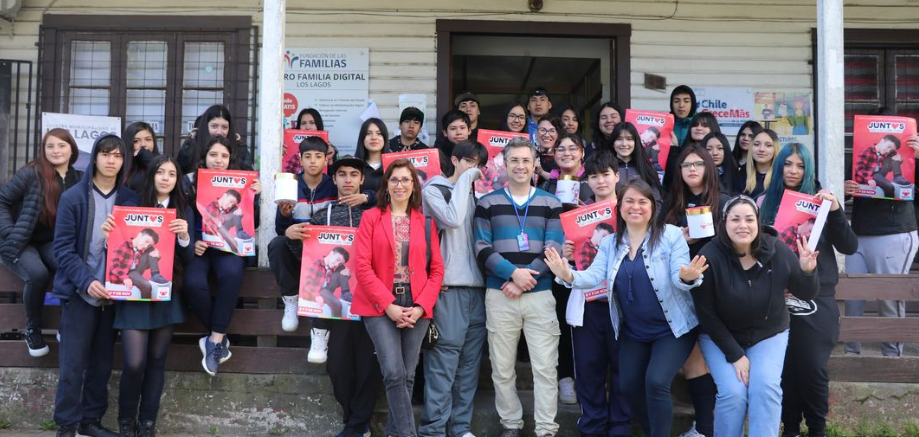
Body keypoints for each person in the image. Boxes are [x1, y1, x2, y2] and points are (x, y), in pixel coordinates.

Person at [545, 178, 708, 437]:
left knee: (655, 381)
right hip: (635, 331)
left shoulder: (671, 235)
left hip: (672, 328)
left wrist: (688, 277)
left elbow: (680, 275)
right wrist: (568, 274)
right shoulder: (610, 243)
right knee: (629, 387)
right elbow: (593, 276)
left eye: (642, 202)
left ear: (653, 207)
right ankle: (654, 430)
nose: (636, 207)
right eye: (629, 201)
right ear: (619, 207)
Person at [692, 195, 819, 437]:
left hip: (768, 334)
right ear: (724, 223)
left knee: (766, 388)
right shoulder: (710, 256)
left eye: (749, 219)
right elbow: (706, 315)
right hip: (721, 337)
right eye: (735, 219)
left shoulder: (778, 249)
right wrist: (735, 354)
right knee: (733, 393)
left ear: (758, 223)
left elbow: (805, 292)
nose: (743, 225)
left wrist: (807, 271)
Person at [755, 143, 857, 437]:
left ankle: (817, 429)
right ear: (779, 166)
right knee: (785, 367)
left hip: (817, 296)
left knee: (812, 367)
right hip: (776, 297)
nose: (793, 171)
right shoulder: (763, 202)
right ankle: (790, 428)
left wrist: (835, 211)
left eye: (800, 165)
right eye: (787, 164)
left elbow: (849, 246)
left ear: (808, 168)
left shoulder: (823, 202)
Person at [280, 154, 381, 437]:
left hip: (372, 299)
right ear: (333, 179)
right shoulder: (321, 215)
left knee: (368, 365)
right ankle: (354, 422)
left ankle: (357, 425)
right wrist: (291, 237)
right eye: (342, 175)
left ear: (362, 179)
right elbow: (308, 258)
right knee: (337, 365)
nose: (348, 180)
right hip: (334, 305)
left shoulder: (375, 212)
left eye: (353, 175)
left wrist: (370, 198)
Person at [474, 137, 564, 437]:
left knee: (545, 368)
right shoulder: (487, 202)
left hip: (539, 296)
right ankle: (511, 425)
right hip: (500, 295)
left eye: (526, 160)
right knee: (501, 369)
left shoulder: (551, 203)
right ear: (505, 163)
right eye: (514, 160)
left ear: (535, 164)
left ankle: (546, 429)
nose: (521, 165)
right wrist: (513, 274)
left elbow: (554, 248)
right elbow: (481, 248)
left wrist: (526, 280)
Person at [52, 134, 139, 437]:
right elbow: (62, 249)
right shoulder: (73, 197)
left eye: (117, 155)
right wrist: (87, 281)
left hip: (114, 295)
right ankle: (66, 424)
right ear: (95, 158)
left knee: (102, 364)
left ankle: (90, 422)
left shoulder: (129, 199)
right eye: (105, 154)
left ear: (123, 160)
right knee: (73, 365)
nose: (111, 160)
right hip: (80, 292)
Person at [352, 158, 444, 437]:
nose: (400, 184)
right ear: (387, 185)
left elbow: (437, 270)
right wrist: (388, 305)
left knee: (408, 375)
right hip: (379, 305)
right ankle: (408, 434)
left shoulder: (426, 223)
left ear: (414, 185)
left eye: (406, 179)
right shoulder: (371, 217)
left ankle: (394, 432)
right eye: (394, 179)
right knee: (393, 372)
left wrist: (420, 307)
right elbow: (361, 266)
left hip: (416, 305)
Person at [107, 155, 193, 437]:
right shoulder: (131, 206)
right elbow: (116, 249)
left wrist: (184, 237)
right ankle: (125, 420)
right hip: (133, 295)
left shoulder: (183, 209)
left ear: (177, 180)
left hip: (166, 293)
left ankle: (147, 423)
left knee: (157, 360)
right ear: (152, 175)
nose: (166, 178)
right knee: (133, 362)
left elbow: (190, 257)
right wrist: (108, 232)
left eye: (172, 173)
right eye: (161, 172)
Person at [271, 136, 371, 362]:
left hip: (349, 265)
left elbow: (381, 198)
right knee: (279, 244)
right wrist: (287, 222)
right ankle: (298, 308)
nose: (313, 161)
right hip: (311, 257)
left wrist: (368, 196)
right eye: (308, 156)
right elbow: (286, 233)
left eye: (318, 156)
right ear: (300, 159)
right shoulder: (292, 186)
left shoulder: (356, 201)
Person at [558, 151, 632, 437]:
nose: (600, 181)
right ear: (586, 180)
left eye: (605, 174)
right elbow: (568, 274)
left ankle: (621, 428)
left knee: (623, 370)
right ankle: (592, 428)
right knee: (588, 371)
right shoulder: (577, 216)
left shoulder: (631, 209)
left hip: (624, 306)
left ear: (617, 176)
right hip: (588, 306)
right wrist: (567, 258)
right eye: (594, 176)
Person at [419, 140, 489, 437]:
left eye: (478, 164)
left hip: (479, 290)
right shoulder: (433, 190)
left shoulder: (476, 196)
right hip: (448, 289)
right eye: (469, 162)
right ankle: (433, 430)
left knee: (470, 365)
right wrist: (468, 181)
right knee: (443, 362)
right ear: (454, 159)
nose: (474, 168)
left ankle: (460, 428)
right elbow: (451, 218)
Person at [662, 145, 729, 437]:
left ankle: (708, 427)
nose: (691, 169)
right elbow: (658, 250)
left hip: (717, 291)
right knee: (693, 361)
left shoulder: (725, 203)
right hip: (680, 293)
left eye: (698, 164)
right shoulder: (671, 205)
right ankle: (705, 428)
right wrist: (679, 238)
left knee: (712, 361)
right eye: (686, 165)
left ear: (708, 168)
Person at [183, 136, 262, 376]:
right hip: (200, 246)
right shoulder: (190, 182)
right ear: (204, 157)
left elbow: (251, 225)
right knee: (193, 283)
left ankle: (215, 340)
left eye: (224, 156)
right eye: (214, 155)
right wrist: (192, 241)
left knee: (232, 273)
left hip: (228, 249)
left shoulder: (241, 184)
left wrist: (253, 198)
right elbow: (182, 214)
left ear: (231, 159)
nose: (219, 160)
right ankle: (219, 337)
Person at [0, 128, 81, 357]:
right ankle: (33, 330)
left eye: (62, 145)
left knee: (72, 268)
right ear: (44, 150)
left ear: (72, 149)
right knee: (37, 274)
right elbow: (2, 201)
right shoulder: (31, 173)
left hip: (52, 242)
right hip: (21, 241)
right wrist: (8, 231)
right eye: (50, 146)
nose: (56, 150)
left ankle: (65, 327)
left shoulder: (79, 178)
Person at [844, 122, 919, 358]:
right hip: (858, 231)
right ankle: (850, 351)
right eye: (887, 143)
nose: (888, 148)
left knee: (890, 296)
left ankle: (892, 357)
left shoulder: (901, 156)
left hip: (894, 231)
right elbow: (846, 183)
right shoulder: (862, 151)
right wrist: (846, 188)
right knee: (852, 296)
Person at [176, 104, 254, 174]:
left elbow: (249, 177)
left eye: (224, 127)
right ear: (206, 126)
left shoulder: (240, 149)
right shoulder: (191, 146)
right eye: (214, 126)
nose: (219, 132)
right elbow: (178, 176)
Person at [610, 122, 663, 210]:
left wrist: (649, 223)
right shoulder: (605, 168)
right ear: (613, 142)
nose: (624, 144)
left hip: (642, 221)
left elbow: (656, 201)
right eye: (619, 139)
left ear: (635, 142)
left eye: (629, 139)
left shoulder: (647, 168)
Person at [663, 112, 722, 190]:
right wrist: (674, 149)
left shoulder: (718, 153)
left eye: (704, 125)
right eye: (695, 125)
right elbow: (671, 180)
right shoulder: (680, 152)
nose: (699, 128)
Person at [738, 129, 779, 199]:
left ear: (775, 149)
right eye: (756, 144)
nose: (761, 149)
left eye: (768, 145)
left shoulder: (781, 176)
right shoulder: (739, 174)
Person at [355, 118, 391, 194]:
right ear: (362, 138)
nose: (374, 138)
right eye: (368, 133)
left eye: (379, 133)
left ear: (385, 138)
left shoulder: (393, 166)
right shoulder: (354, 165)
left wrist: (368, 197)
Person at [123, 122, 159, 193]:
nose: (143, 144)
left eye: (148, 139)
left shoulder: (163, 162)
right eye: (136, 141)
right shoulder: (121, 164)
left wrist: (147, 157)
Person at [535, 115, 563, 183]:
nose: (547, 135)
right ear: (536, 133)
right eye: (542, 130)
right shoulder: (529, 154)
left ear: (557, 134)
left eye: (552, 131)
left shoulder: (563, 156)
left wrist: (542, 172)